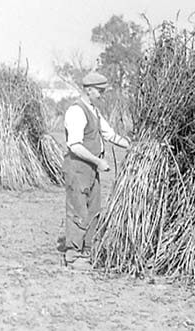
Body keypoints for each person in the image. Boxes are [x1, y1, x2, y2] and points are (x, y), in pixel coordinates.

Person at [59, 72, 130, 269]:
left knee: (93, 210)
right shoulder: (76, 111)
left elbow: (110, 135)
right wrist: (98, 162)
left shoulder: (94, 111)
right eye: (99, 91)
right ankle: (73, 256)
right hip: (78, 169)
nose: (101, 95)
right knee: (78, 210)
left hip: (91, 169)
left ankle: (87, 251)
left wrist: (132, 146)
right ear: (89, 90)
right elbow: (74, 145)